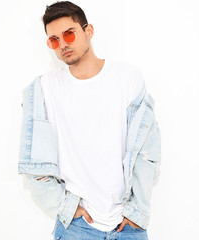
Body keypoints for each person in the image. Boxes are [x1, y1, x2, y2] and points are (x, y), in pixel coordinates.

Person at [18, 1, 161, 239]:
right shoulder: (44, 89)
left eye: (69, 34)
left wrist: (137, 210)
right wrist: (68, 208)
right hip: (77, 227)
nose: (63, 44)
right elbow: (32, 165)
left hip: (129, 225)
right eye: (54, 40)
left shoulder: (127, 78)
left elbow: (148, 153)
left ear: (88, 31)